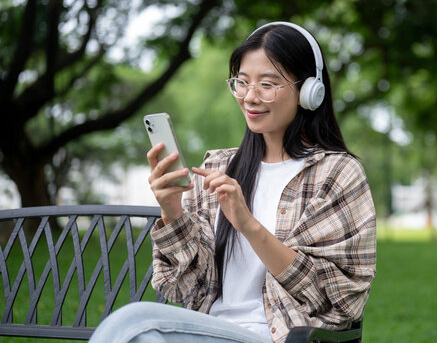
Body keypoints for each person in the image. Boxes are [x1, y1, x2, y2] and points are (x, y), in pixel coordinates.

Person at [89, 21, 376, 343]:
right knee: (135, 323)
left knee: (136, 323)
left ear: (310, 91)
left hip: (278, 337)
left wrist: (248, 224)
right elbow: (182, 289)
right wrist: (172, 213)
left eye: (267, 85)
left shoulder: (336, 173)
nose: (249, 97)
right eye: (241, 83)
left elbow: (338, 301)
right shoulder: (219, 167)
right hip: (209, 331)